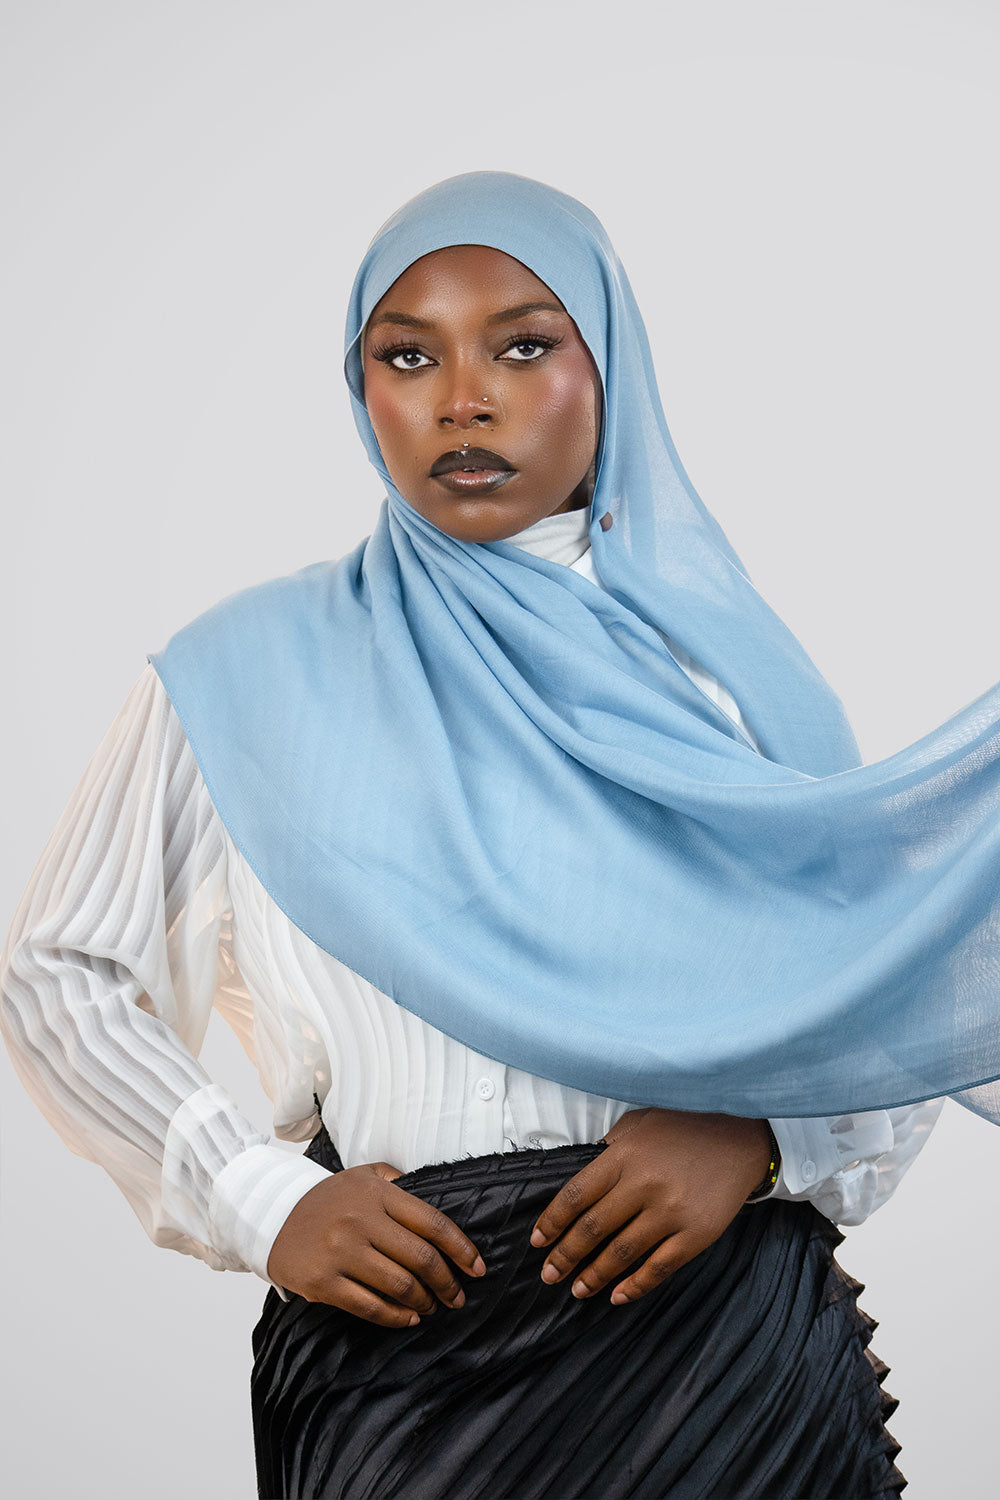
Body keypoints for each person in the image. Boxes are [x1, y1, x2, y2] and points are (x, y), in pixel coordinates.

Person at [5, 169, 1000, 1499]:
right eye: (407, 356)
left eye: (523, 348)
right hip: (397, 1360)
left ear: (610, 369)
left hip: (718, 1354)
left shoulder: (728, 684)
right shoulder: (244, 676)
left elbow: (896, 977)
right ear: (360, 387)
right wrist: (259, 1196)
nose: (462, 400)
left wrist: (765, 1134)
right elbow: (61, 972)